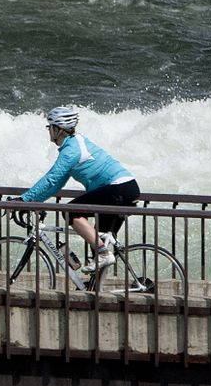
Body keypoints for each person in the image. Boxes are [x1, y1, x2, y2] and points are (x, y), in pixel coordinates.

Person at [12, 106, 139, 270]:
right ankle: (96, 290)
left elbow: (51, 178)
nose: (48, 130)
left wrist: (24, 199)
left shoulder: (71, 150)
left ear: (58, 129)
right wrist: (33, 201)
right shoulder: (75, 144)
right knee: (97, 243)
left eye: (49, 127)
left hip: (119, 188)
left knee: (70, 212)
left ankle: (103, 254)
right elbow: (56, 184)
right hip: (125, 188)